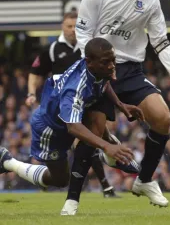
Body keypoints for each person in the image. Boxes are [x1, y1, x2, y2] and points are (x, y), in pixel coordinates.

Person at [62, 0, 170, 214]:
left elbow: (161, 42)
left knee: (163, 117)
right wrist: (91, 72)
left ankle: (144, 179)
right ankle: (72, 200)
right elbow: (84, 36)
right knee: (93, 129)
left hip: (130, 71)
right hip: (99, 70)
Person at [0, 38, 144, 196]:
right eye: (106, 62)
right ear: (89, 62)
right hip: (51, 129)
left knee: (97, 126)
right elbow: (73, 127)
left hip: (71, 116)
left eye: (113, 60)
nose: (111, 66)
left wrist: (121, 105)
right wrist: (106, 146)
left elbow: (104, 83)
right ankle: (9, 162)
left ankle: (117, 160)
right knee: (60, 180)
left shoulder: (97, 67)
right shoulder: (74, 88)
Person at [25, 11, 123, 198]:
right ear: (62, 27)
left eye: (75, 26)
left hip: (84, 103)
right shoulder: (53, 49)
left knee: (90, 140)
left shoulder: (88, 48)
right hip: (62, 107)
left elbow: (101, 78)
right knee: (81, 150)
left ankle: (105, 186)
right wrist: (31, 93)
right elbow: (35, 71)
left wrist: (119, 103)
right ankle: (102, 182)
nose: (71, 30)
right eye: (68, 26)